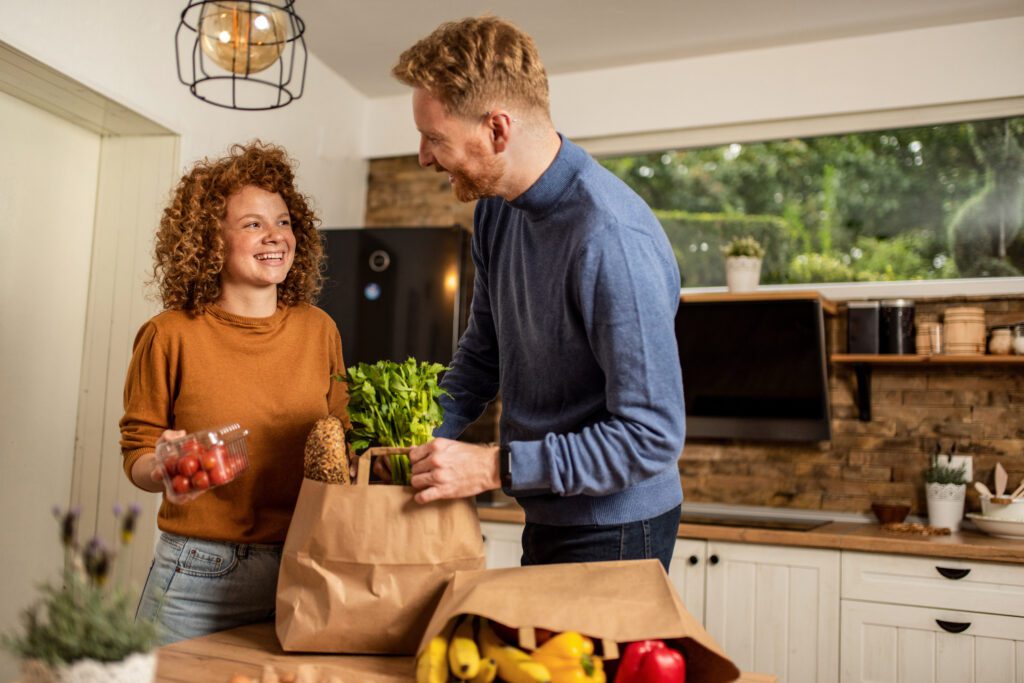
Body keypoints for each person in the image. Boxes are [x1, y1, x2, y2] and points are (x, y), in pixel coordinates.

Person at [392, 17, 685, 569]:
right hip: (548, 510)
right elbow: (484, 353)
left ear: (497, 130)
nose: (424, 157)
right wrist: (410, 438)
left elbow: (651, 438)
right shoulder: (496, 212)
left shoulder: (610, 237)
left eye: (434, 137)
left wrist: (490, 468)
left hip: (619, 526)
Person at [119, 141, 349, 644]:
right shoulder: (169, 334)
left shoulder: (319, 330)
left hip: (301, 567)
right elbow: (137, 450)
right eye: (253, 224)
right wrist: (163, 465)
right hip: (195, 576)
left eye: (284, 222)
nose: (276, 237)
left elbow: (343, 441)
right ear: (210, 239)